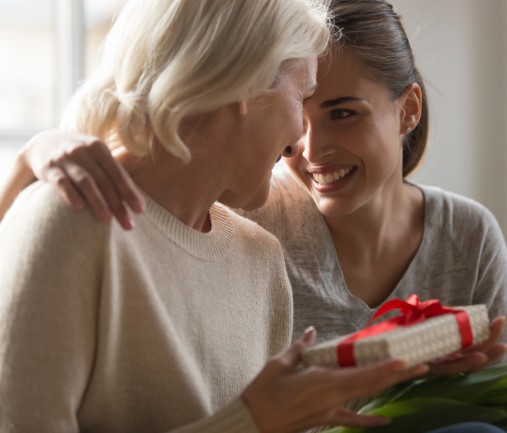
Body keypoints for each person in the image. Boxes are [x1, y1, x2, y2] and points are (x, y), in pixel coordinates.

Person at [0, 1, 449, 432]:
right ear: (247, 88)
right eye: (303, 95)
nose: (299, 144)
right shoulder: (70, 222)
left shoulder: (260, 259)